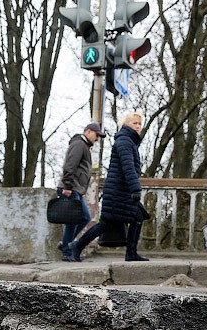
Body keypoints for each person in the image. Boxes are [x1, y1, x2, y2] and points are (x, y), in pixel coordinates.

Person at [69, 112, 148, 262]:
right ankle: (78, 246)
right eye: (134, 123)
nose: (138, 126)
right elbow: (128, 167)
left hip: (120, 190)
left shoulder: (128, 141)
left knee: (131, 217)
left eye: (139, 124)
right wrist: (135, 188)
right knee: (120, 220)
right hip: (119, 191)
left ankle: (78, 246)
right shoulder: (125, 141)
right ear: (126, 125)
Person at [57, 122, 105, 261]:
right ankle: (66, 251)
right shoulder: (79, 144)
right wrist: (67, 187)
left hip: (75, 189)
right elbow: (70, 165)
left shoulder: (84, 146)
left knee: (84, 217)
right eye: (96, 135)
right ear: (88, 131)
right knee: (73, 220)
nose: (97, 139)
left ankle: (65, 244)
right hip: (70, 188)